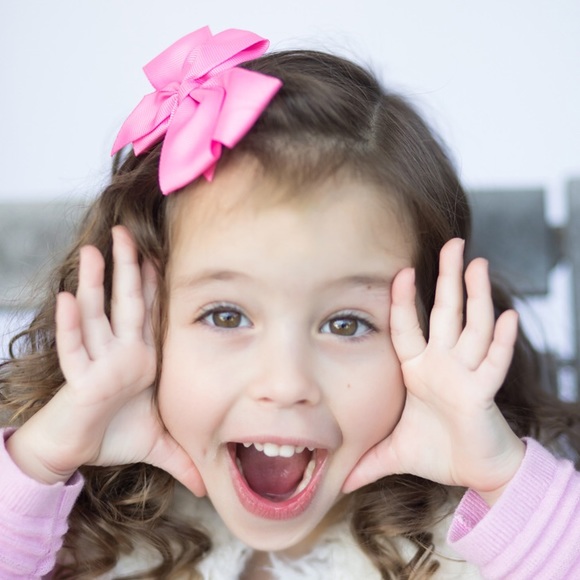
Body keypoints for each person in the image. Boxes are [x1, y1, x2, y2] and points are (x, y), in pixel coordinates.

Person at [0, 25, 579, 579]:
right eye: (226, 315)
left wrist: (502, 478)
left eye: (347, 323)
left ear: (434, 330)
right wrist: (42, 460)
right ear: (135, 317)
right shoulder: (71, 543)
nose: (285, 383)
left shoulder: (469, 551)